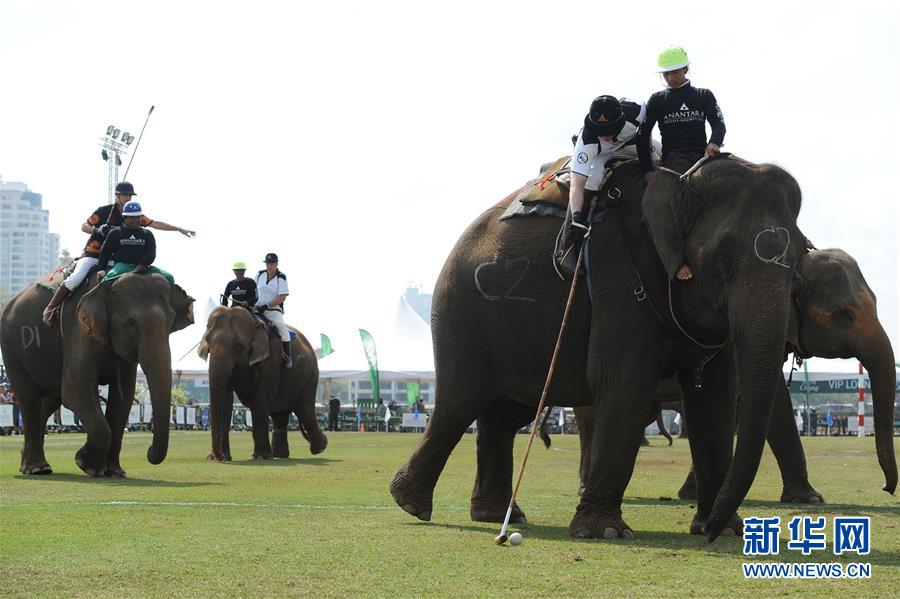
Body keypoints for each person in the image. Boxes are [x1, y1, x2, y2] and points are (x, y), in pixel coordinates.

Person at [42, 181, 195, 326]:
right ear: (118, 196)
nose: (128, 198)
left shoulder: (134, 214)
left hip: (115, 258)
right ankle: (51, 307)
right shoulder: (104, 211)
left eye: (130, 195)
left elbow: (155, 224)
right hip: (94, 255)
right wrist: (97, 229)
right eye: (124, 195)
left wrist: (179, 229)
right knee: (76, 277)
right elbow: (84, 226)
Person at [636, 47, 726, 281]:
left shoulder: (703, 95)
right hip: (675, 159)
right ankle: (674, 262)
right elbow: (642, 134)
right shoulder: (657, 100)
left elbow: (718, 123)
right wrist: (647, 169)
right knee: (654, 202)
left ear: (686, 69)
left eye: (675, 72)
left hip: (706, 155)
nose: (670, 77)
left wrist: (715, 143)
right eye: (666, 74)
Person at [567, 95, 659, 244]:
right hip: (599, 155)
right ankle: (571, 233)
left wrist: (651, 152)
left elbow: (645, 130)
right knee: (593, 181)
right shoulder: (586, 142)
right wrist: (576, 216)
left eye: (609, 129)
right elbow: (576, 184)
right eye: (599, 129)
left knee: (663, 153)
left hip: (628, 145)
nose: (604, 135)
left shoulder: (637, 109)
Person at [95, 201, 174, 284]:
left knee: (169, 277)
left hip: (144, 268)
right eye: (132, 217)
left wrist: (142, 264)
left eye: (138, 217)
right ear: (124, 217)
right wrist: (102, 269)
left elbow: (151, 253)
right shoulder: (114, 233)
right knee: (105, 281)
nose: (135, 220)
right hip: (123, 266)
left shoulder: (147, 234)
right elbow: (105, 252)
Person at [254, 253, 292, 369]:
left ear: (276, 264)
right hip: (256, 309)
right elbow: (253, 290)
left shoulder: (281, 277)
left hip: (273, 310)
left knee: (282, 328)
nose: (269, 266)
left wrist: (267, 306)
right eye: (267, 263)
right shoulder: (260, 274)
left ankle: (288, 357)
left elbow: (282, 297)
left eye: (271, 263)